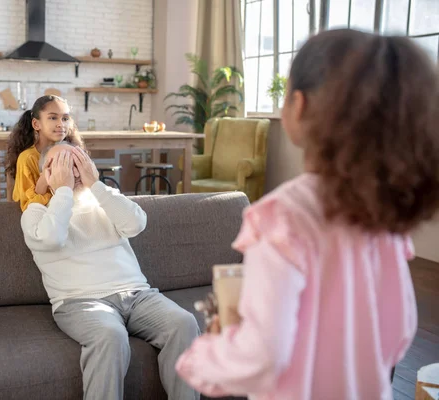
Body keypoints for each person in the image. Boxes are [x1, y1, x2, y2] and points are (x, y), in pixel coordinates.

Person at [176, 29, 439, 399]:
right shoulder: (385, 217)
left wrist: (202, 356)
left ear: (298, 107)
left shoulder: (283, 216)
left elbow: (261, 356)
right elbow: (399, 332)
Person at [20, 142, 200, 400]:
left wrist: (96, 184)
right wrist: (61, 190)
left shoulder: (102, 200)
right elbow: (52, 239)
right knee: (110, 335)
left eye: (77, 161)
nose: (73, 171)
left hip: (139, 296)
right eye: (63, 165)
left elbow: (137, 223)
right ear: (47, 174)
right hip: (79, 302)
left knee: (184, 323)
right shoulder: (36, 213)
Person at [5, 95, 84, 212]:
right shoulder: (28, 158)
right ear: (36, 124)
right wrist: (45, 181)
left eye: (65, 118)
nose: (61, 124)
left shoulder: (72, 151)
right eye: (53, 118)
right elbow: (26, 206)